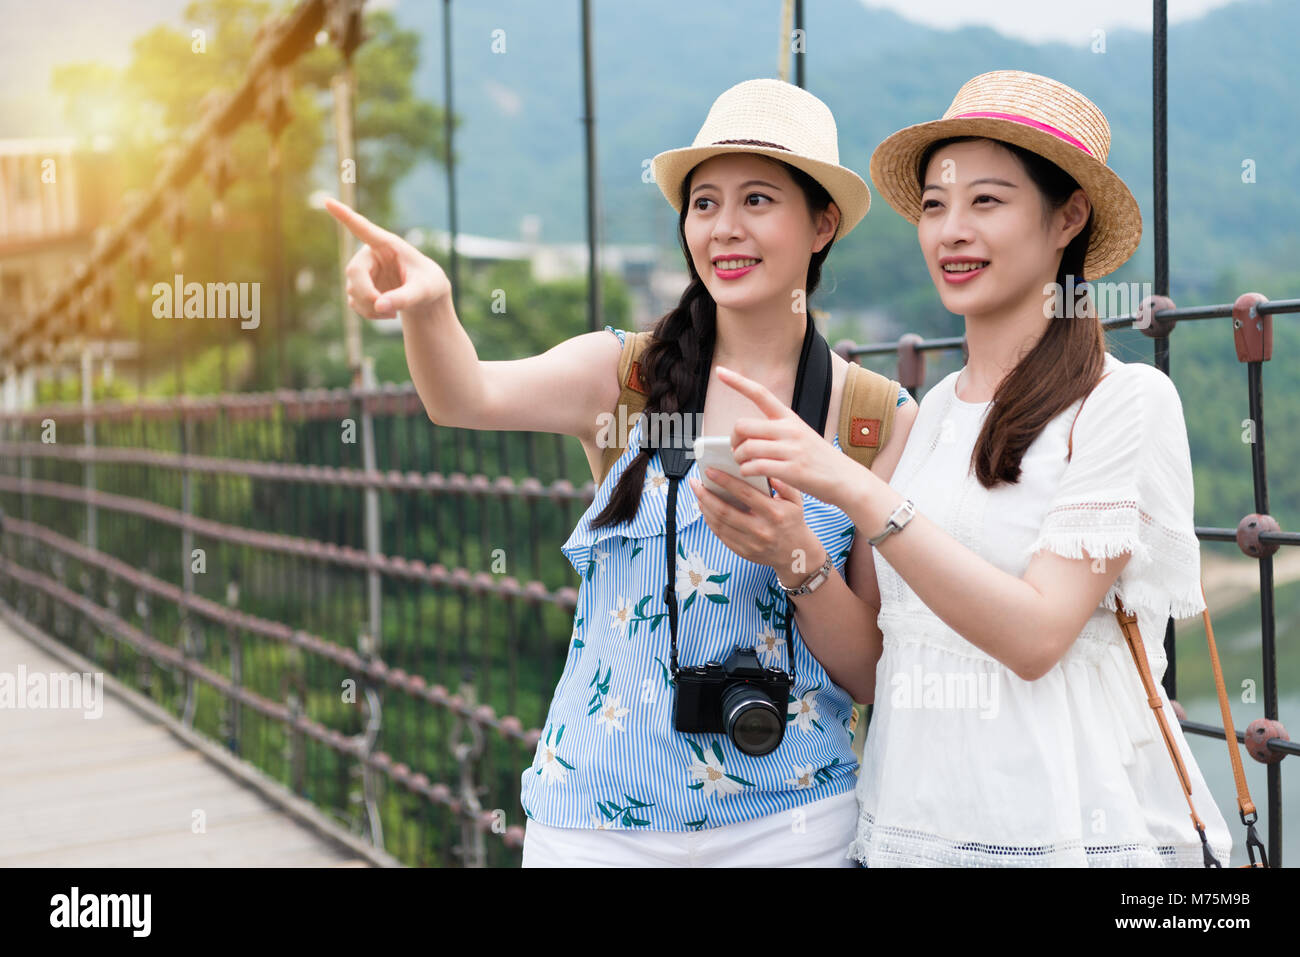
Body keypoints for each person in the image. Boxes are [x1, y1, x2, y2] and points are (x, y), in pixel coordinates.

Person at [325, 77, 918, 867]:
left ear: (822, 223)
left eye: (758, 200)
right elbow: (465, 394)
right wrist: (430, 307)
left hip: (793, 824)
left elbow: (871, 671)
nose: (724, 228)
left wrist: (796, 558)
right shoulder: (627, 374)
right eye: (703, 203)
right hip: (596, 826)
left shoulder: (875, 419)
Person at [713, 70, 1233, 867]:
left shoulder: (1124, 402)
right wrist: (796, 552)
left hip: (1063, 834)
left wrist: (852, 484)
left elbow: (1035, 636)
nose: (951, 230)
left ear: (1068, 217)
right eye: (933, 205)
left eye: (986, 201)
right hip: (906, 834)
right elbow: (880, 668)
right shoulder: (927, 420)